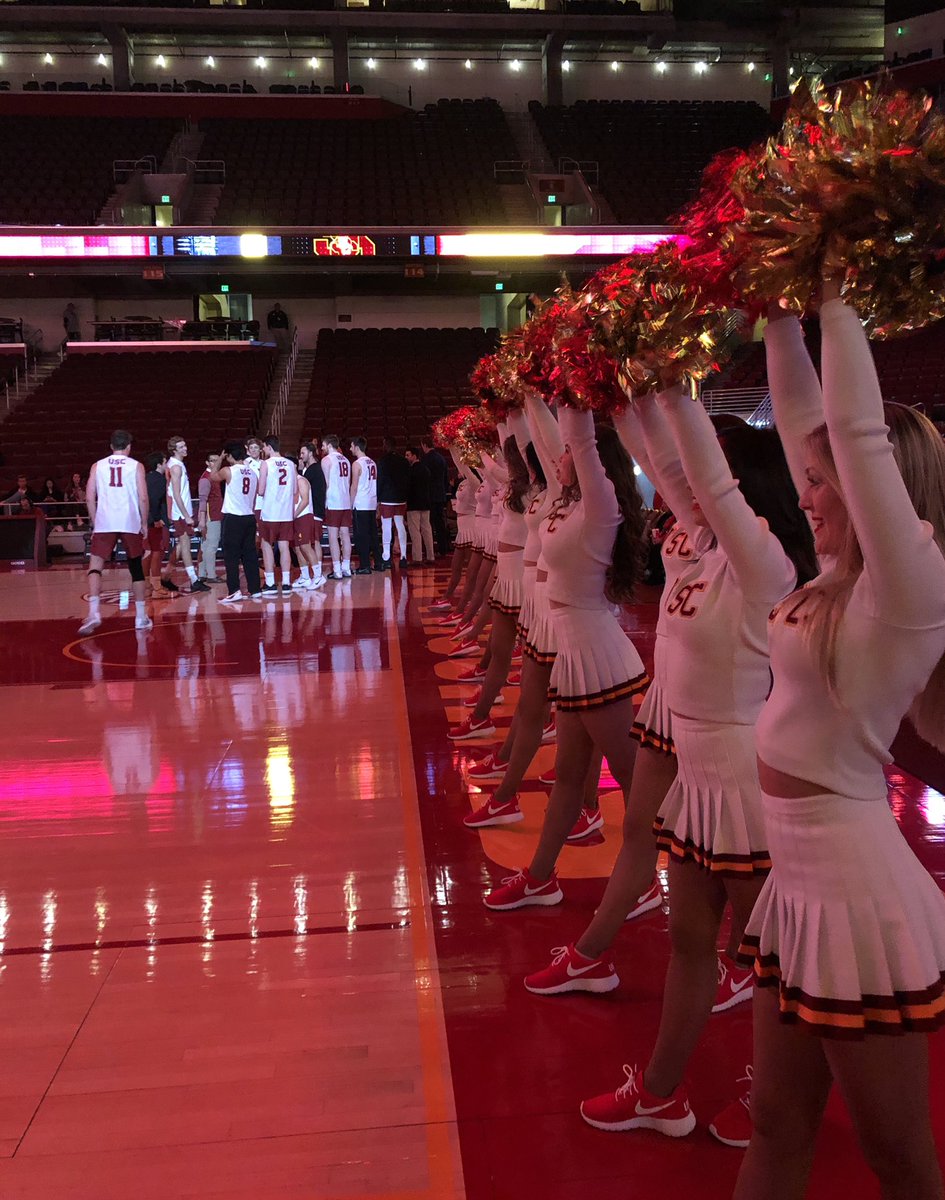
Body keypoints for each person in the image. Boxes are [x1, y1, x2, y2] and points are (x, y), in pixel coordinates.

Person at [731, 292, 945, 1199]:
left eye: (824, 484)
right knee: (777, 1121)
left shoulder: (910, 582)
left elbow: (850, 432)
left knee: (897, 1158)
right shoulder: (837, 575)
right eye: (807, 479)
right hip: (800, 886)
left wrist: (830, 285)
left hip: (856, 898)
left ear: (874, 490)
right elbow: (803, 422)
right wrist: (774, 311)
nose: (804, 493)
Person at [579, 383, 816, 1148]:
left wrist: (665, 379)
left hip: (747, 783)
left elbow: (701, 477)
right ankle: (658, 1091)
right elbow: (672, 469)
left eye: (716, 483)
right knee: (690, 944)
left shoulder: (766, 567)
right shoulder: (705, 549)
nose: (689, 489)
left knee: (774, 968)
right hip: (699, 783)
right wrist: (613, 397)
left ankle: (782, 1102)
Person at [481, 404, 649, 911]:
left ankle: (654, 878)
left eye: (569, 453)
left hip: (597, 656)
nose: (558, 459)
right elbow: (542, 450)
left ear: (594, 459)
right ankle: (539, 877)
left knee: (638, 785)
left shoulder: (602, 509)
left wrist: (557, 390)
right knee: (571, 779)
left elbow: (578, 443)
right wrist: (526, 404)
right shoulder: (565, 502)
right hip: (575, 655)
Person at [79, 429, 151, 635]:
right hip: (129, 520)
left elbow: (89, 497)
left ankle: (93, 613)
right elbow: (143, 497)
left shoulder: (97, 465)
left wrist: (95, 521)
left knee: (95, 567)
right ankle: (140, 617)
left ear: (111, 446)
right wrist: (144, 522)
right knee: (136, 567)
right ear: (129, 446)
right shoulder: (136, 466)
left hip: (105, 521)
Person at [209, 441, 262, 603]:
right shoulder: (253, 473)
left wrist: (219, 458)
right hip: (249, 517)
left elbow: (213, 476)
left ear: (230, 456)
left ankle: (234, 590)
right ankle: (255, 589)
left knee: (231, 556)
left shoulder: (228, 470)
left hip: (233, 518)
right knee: (250, 555)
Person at [166, 435, 209, 593]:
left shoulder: (176, 465)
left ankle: (165, 577)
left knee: (180, 545)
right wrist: (186, 515)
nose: (185, 448)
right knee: (185, 544)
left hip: (179, 511)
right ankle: (194, 579)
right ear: (174, 450)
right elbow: (176, 494)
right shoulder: (176, 467)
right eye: (181, 447)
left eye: (185, 445)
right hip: (179, 512)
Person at [258, 435, 298, 597]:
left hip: (270, 512)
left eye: (263, 447)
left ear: (268, 446)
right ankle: (287, 582)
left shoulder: (265, 464)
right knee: (284, 547)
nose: (263, 450)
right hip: (286, 512)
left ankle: (270, 583)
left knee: (266, 545)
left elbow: (260, 490)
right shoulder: (290, 464)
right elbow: (295, 491)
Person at [144, 450, 178, 598]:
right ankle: (156, 587)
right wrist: (157, 518)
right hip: (154, 521)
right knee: (156, 552)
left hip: (145, 520)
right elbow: (154, 500)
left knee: (148, 552)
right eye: (165, 462)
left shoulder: (147, 477)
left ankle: (146, 586)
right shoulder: (159, 479)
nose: (167, 465)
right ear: (159, 464)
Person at [321, 434, 353, 580]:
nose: (321, 448)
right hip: (345, 501)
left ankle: (337, 569)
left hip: (333, 501)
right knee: (345, 535)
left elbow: (326, 483)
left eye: (323, 445)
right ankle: (346, 567)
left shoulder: (326, 460)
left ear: (328, 445)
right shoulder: (346, 459)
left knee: (333, 536)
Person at [349, 437, 383, 574]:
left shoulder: (357, 464)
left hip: (361, 503)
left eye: (351, 446)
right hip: (371, 501)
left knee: (361, 535)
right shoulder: (372, 462)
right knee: (373, 534)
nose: (350, 449)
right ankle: (379, 563)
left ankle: (365, 565)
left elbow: (354, 487)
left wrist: (350, 505)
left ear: (357, 447)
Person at [296, 442, 327, 590]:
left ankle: (317, 575)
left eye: (303, 453)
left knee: (313, 542)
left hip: (314, 511)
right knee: (310, 543)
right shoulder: (313, 469)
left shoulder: (313, 470)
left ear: (310, 452)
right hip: (315, 510)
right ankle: (311, 575)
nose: (301, 457)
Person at [376, 436, 410, 569]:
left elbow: (380, 481)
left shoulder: (383, 461)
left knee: (386, 526)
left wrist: (378, 498)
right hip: (400, 498)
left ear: (386, 445)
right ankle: (403, 556)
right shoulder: (403, 461)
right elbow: (408, 480)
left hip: (387, 498)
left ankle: (386, 556)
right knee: (400, 525)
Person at [421, 436, 450, 556]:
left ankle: (430, 550)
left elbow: (424, 478)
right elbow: (446, 477)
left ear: (424, 445)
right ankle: (443, 548)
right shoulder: (441, 458)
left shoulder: (425, 459)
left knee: (429, 524)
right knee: (440, 523)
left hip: (430, 495)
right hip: (440, 494)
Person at [405, 446, 435, 565]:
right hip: (426, 503)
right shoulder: (426, 469)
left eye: (408, 455)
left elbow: (408, 488)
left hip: (414, 504)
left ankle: (417, 558)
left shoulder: (410, 471)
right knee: (427, 530)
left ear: (414, 456)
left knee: (415, 531)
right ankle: (430, 556)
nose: (406, 457)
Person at [197, 456, 224, 583]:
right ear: (207, 462)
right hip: (211, 515)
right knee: (211, 545)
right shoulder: (206, 478)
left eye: (217, 460)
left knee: (206, 545)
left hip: (215, 513)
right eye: (213, 460)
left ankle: (203, 573)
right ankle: (211, 575)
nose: (216, 462)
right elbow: (203, 499)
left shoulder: (215, 477)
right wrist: (202, 518)